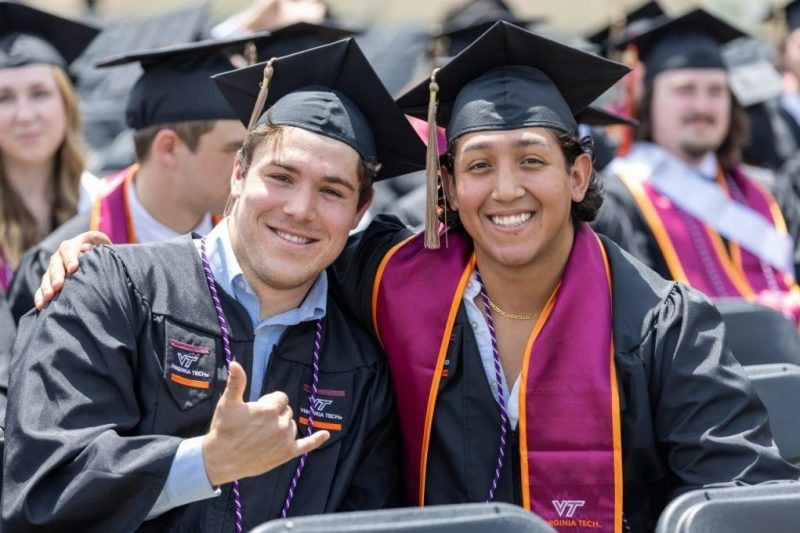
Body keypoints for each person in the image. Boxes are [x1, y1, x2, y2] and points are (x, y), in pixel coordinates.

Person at [33, 21, 800, 533]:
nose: (504, 191)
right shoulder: (391, 281)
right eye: (477, 166)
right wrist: (67, 255)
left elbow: (736, 502)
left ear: (578, 173)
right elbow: (279, 244)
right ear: (446, 190)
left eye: (532, 160)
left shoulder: (664, 324)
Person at [2, 38, 426, 531]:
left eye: (331, 190)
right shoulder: (108, 289)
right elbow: (40, 489)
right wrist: (205, 463)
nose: (300, 209)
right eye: (282, 176)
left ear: (360, 210)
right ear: (239, 173)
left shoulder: (360, 359)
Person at [5, 34, 263, 323]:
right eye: (235, 150)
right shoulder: (60, 266)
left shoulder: (258, 248)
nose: (249, 167)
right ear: (168, 148)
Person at [593, 9, 800, 323]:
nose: (702, 106)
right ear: (649, 100)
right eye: (685, 90)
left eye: (715, 91)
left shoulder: (768, 191)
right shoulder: (619, 199)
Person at [0, 2, 101, 294]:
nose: (26, 115)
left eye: (40, 93)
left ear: (67, 105)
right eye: (4, 98)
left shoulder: (99, 202)